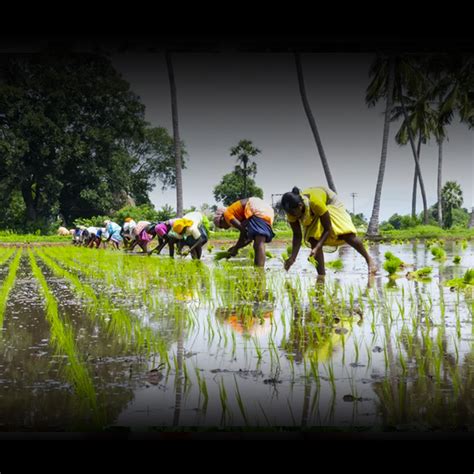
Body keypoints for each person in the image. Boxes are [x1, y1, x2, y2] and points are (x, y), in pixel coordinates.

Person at [281, 186, 377, 276]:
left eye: (293, 213)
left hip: (329, 202)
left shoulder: (316, 202)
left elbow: (328, 228)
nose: (292, 216)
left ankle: (369, 260)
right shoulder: (291, 212)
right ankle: (322, 276)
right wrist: (292, 258)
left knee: (345, 234)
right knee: (313, 239)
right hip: (311, 211)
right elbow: (297, 235)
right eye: (289, 213)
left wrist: (318, 247)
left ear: (300, 205)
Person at [213, 197, 275, 267]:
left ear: (222, 218)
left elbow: (243, 231)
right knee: (257, 243)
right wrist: (235, 248)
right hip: (267, 210)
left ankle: (259, 271)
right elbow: (248, 239)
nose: (223, 228)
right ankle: (258, 270)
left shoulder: (227, 214)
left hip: (256, 208)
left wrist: (236, 248)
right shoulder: (241, 216)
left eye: (221, 226)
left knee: (259, 243)